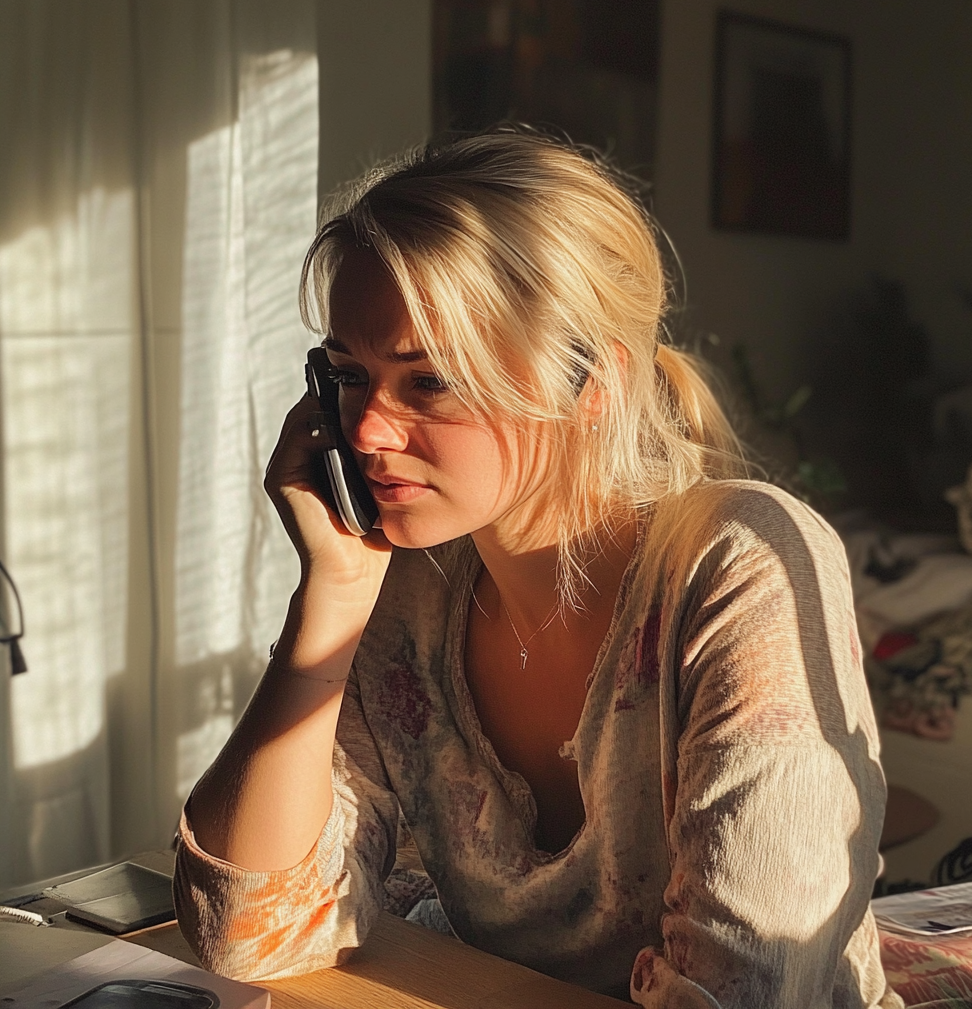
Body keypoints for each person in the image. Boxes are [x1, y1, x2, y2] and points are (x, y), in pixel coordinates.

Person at [174, 129, 902, 1008]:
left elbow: (741, 993)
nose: (364, 433)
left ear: (590, 383)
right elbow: (249, 936)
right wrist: (327, 601)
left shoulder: (741, 566)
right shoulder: (405, 588)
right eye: (347, 377)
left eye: (430, 381)